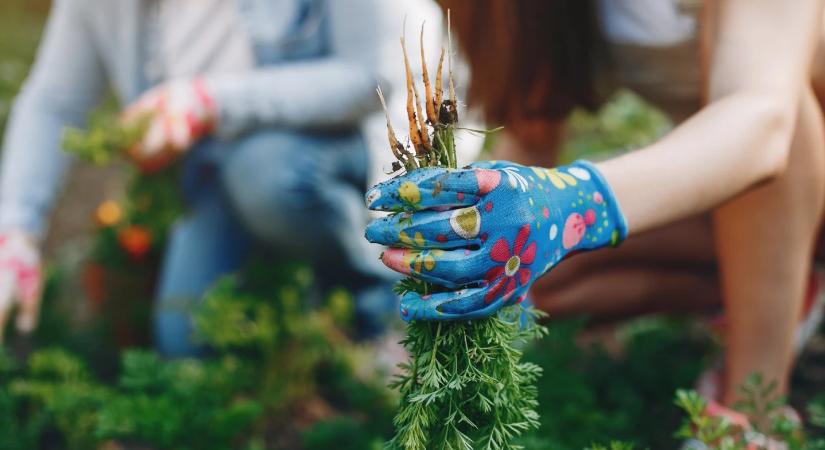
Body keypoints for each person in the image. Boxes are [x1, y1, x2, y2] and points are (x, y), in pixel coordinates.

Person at [365, 0, 825, 431]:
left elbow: (761, 118)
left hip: (782, 167)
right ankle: (776, 291)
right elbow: (531, 136)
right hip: (735, 207)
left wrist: (574, 200)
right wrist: (477, 230)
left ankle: (753, 406)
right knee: (534, 283)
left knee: (786, 103)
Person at [0, 0, 444, 355]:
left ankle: (380, 307)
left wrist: (208, 100)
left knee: (269, 175)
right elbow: (54, 102)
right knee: (185, 343)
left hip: (336, 150)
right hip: (212, 171)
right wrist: (15, 229)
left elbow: (374, 74)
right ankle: (289, 328)